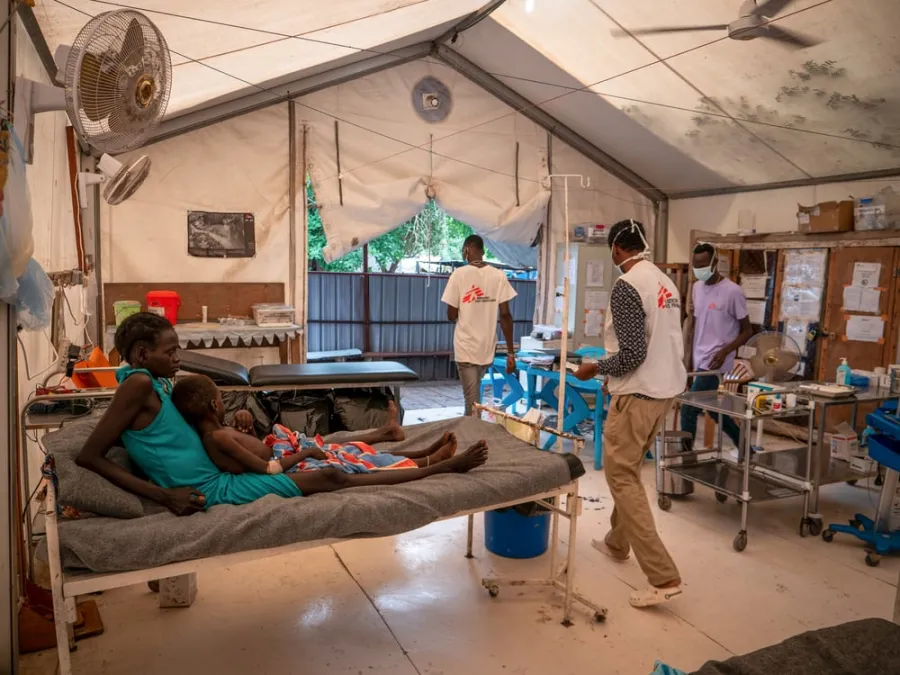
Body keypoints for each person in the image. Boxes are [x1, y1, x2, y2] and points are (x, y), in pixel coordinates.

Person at [76, 313, 489, 515]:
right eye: (171, 351)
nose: (179, 358)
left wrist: (225, 423)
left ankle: (410, 451)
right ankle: (441, 469)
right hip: (215, 488)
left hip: (223, 470)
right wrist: (164, 495)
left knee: (325, 450)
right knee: (331, 473)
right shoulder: (139, 384)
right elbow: (89, 457)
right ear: (143, 354)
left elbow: (173, 433)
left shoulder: (155, 382)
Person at [573, 219, 687, 608]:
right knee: (631, 469)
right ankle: (616, 543)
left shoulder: (627, 285)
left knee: (621, 477)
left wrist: (596, 368)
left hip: (638, 396)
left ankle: (663, 575)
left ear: (618, 249)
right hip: (664, 392)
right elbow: (657, 344)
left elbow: (632, 353)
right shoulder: (666, 282)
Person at [171, 373, 460, 475]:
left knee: (345, 445)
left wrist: (240, 423)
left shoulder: (214, 431)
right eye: (221, 400)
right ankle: (428, 460)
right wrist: (306, 453)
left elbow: (244, 445)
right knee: (357, 459)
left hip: (280, 451)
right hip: (285, 462)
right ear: (212, 405)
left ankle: (394, 436)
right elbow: (267, 469)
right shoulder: (216, 438)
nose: (224, 403)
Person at [681, 242, 753, 450]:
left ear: (715, 263)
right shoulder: (696, 288)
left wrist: (725, 351)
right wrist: (687, 360)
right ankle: (744, 446)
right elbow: (695, 324)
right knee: (712, 409)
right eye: (695, 264)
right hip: (699, 357)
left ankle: (686, 456)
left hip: (716, 361)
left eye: (703, 264)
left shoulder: (733, 292)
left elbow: (747, 331)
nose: (699, 269)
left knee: (689, 408)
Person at [442, 234, 517, 416]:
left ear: (468, 249)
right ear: (482, 251)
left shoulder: (459, 274)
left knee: (472, 403)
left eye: (463, 251)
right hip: (486, 349)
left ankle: (473, 438)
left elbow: (451, 315)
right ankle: (474, 435)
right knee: (474, 401)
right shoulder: (498, 276)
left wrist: (467, 306)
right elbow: (506, 316)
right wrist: (510, 353)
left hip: (466, 347)